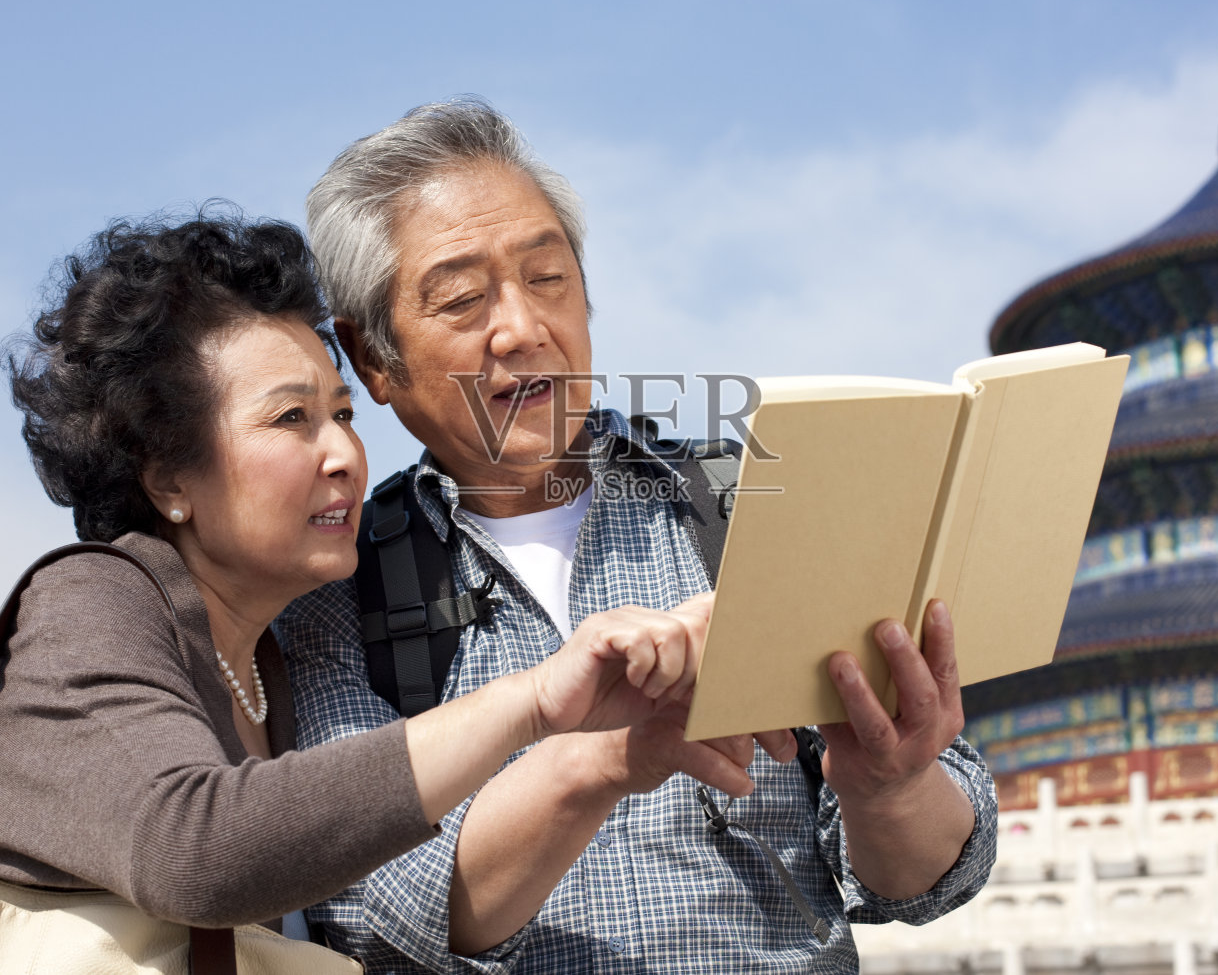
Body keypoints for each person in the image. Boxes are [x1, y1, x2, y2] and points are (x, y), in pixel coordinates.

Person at [277, 100, 999, 973]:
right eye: (464, 298)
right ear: (374, 361)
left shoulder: (753, 499)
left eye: (548, 278)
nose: (522, 327)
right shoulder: (331, 589)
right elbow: (383, 909)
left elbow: (928, 876)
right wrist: (606, 760)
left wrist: (892, 787)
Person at [0, 212, 718, 937]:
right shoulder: (89, 603)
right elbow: (198, 849)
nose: (344, 455)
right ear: (169, 477)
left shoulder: (276, 658)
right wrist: (534, 700)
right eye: (291, 420)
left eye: (343, 415)